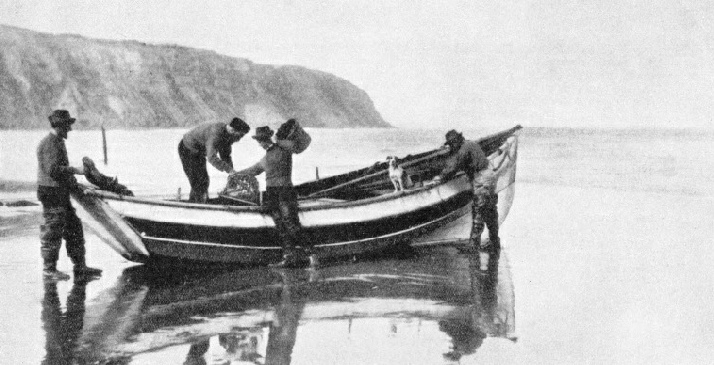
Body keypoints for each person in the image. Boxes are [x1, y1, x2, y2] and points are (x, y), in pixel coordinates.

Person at [37, 110, 102, 281]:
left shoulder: (57, 141)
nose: (70, 129)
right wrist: (77, 171)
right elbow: (54, 171)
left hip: (59, 192)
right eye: (68, 125)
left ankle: (80, 267)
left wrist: (77, 185)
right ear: (59, 125)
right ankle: (49, 271)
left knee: (74, 229)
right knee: (52, 232)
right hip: (51, 194)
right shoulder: (50, 143)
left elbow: (60, 171)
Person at [234, 124, 312, 268]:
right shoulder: (267, 156)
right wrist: (237, 174)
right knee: (280, 225)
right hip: (272, 193)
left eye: (261, 140)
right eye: (259, 141)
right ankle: (288, 257)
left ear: (266, 139)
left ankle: (311, 255)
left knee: (290, 223)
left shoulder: (284, 149)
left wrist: (277, 140)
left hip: (285, 191)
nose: (260, 144)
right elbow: (255, 169)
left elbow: (300, 144)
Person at [434, 130, 500, 250]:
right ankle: (494, 243)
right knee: (490, 210)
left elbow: (455, 166)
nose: (451, 146)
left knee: (478, 209)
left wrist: (441, 177)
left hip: (482, 178)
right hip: (488, 176)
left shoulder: (464, 149)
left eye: (452, 143)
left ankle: (474, 245)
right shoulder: (470, 144)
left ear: (457, 140)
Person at [178, 118, 250, 202]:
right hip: (186, 149)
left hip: (199, 152)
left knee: (203, 179)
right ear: (232, 130)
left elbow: (226, 156)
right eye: (240, 135)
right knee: (199, 180)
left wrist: (232, 173)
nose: (239, 139)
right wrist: (229, 170)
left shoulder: (228, 136)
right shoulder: (215, 134)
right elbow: (212, 158)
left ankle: (197, 200)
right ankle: (198, 203)